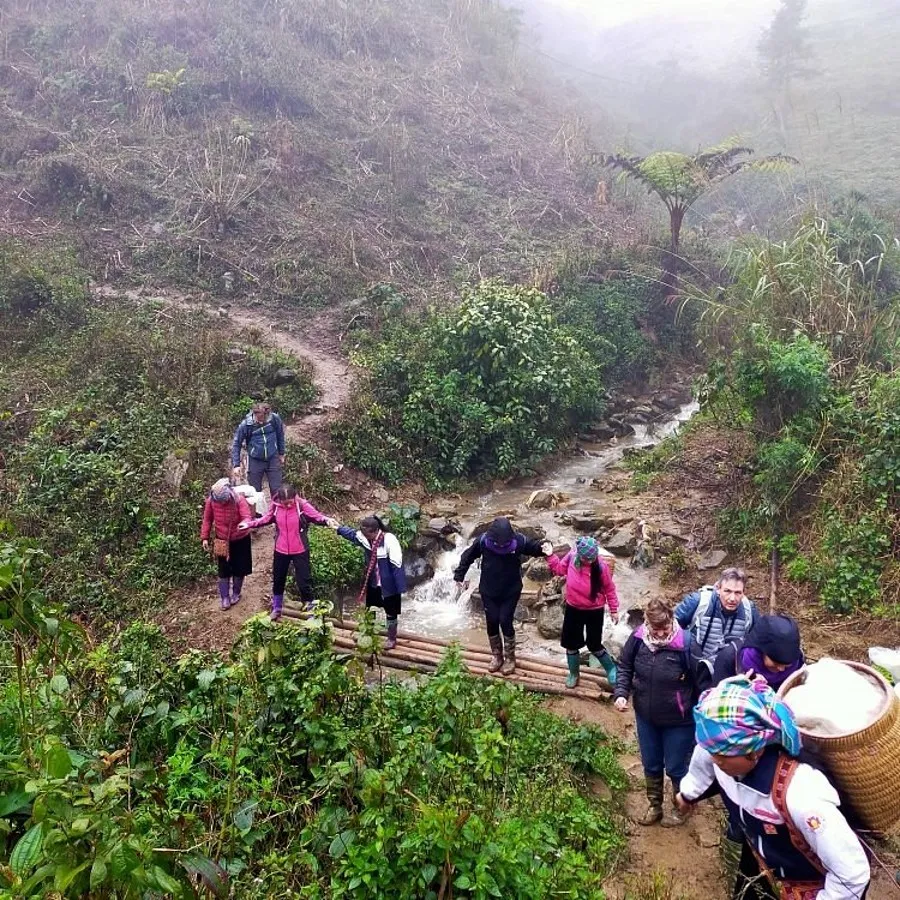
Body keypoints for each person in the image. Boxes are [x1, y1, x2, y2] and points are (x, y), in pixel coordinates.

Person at [676, 677, 870, 899]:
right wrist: (687, 794)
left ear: (755, 751)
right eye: (712, 751)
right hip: (764, 864)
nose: (715, 760)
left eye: (721, 756)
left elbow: (852, 874)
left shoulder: (802, 795)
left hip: (810, 884)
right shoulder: (719, 748)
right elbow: (702, 764)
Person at [614, 598, 697, 828]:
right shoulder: (638, 639)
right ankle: (655, 806)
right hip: (646, 715)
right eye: (655, 629)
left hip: (679, 720)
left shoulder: (687, 644)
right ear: (647, 624)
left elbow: (701, 682)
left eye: (665, 629)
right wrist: (622, 692)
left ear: (672, 620)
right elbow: (625, 665)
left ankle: (683, 806)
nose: (660, 635)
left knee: (675, 767)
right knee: (651, 763)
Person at [453, 517, 548, 676]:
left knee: (505, 620)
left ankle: (510, 657)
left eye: (505, 543)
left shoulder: (517, 541)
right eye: (500, 544)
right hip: (489, 590)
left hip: (510, 590)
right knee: (492, 621)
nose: (502, 546)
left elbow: (533, 547)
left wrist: (545, 547)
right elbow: (467, 556)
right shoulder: (483, 542)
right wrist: (459, 575)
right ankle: (497, 656)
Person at [238, 483, 335, 621]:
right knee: (278, 579)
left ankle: (311, 612)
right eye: (285, 503)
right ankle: (277, 609)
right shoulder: (276, 507)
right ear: (280, 501)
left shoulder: (302, 505)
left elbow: (317, 516)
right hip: (281, 549)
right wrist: (249, 524)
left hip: (300, 549)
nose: (288, 506)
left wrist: (327, 520)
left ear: (294, 498)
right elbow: (265, 519)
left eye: (290, 503)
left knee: (304, 581)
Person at [546, 536, 619, 688]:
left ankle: (611, 669)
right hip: (573, 608)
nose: (591, 561)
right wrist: (550, 556)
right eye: (587, 558)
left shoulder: (601, 567)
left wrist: (614, 610)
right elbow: (559, 570)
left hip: (595, 610)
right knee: (571, 644)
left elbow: (609, 589)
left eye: (593, 558)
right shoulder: (572, 557)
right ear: (580, 555)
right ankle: (574, 673)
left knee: (594, 644)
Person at [335, 516, 406, 650]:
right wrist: (338, 528)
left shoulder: (389, 540)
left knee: (391, 611)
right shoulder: (366, 538)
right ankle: (369, 633)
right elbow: (352, 535)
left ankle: (391, 638)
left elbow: (397, 563)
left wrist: (399, 586)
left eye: (366, 534)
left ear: (374, 532)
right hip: (373, 580)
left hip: (388, 582)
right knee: (370, 608)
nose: (364, 536)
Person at [675, 567, 757, 666]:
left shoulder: (749, 610)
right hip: (694, 667)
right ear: (718, 588)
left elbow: (758, 644)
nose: (732, 598)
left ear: (744, 592)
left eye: (738, 593)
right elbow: (671, 629)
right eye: (727, 591)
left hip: (729, 671)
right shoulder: (698, 601)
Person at [200, 478, 254, 610]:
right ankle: (224, 597)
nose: (223, 503)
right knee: (223, 570)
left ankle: (236, 593)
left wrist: (245, 523)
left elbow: (246, 515)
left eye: (224, 500)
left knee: (240, 567)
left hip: (240, 538)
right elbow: (207, 520)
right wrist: (204, 537)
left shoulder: (238, 499)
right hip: (222, 540)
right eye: (220, 501)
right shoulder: (211, 502)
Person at [712, 614, 805, 690]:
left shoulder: (798, 665)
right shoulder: (729, 659)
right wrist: (742, 688)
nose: (781, 669)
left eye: (787, 665)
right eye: (775, 662)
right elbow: (713, 703)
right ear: (761, 651)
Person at [231, 402, 286, 494]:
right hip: (255, 460)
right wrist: (236, 465)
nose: (261, 422)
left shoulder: (274, 419)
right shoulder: (246, 425)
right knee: (254, 490)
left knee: (277, 489)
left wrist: (281, 453)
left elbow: (280, 435)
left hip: (272, 457)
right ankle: (257, 508)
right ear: (254, 414)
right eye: (258, 419)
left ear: (268, 415)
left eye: (263, 419)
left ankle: (276, 508)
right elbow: (237, 444)